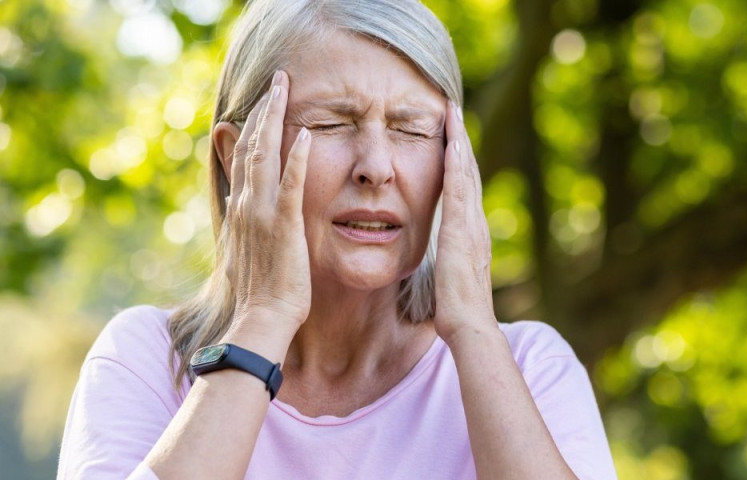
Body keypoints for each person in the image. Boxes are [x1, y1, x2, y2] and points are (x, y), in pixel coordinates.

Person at [57, 0, 616, 478]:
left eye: (412, 129)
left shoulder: (531, 365)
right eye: (331, 123)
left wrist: (474, 329)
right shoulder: (147, 361)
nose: (377, 167)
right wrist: (266, 315)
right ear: (238, 156)